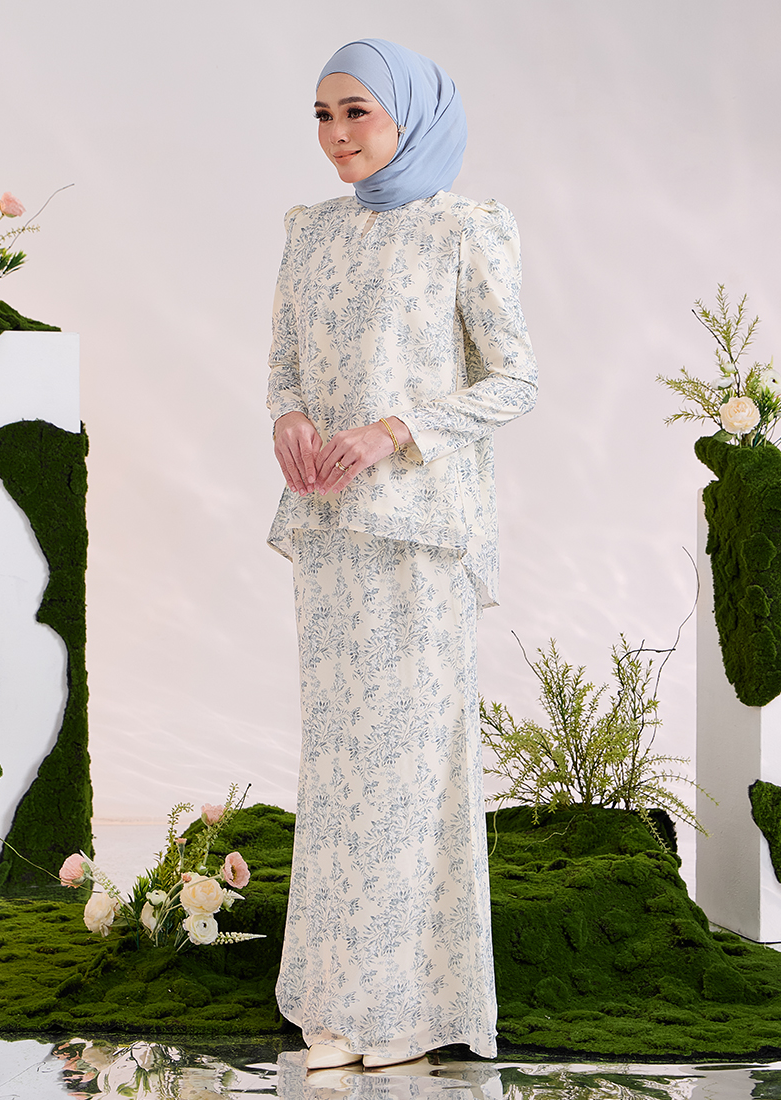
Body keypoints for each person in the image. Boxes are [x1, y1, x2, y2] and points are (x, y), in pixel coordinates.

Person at [267, 38, 537, 1071]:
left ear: (409, 117)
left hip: (422, 534)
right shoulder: (309, 232)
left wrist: (398, 430)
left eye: (357, 113)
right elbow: (283, 366)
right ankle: (334, 998)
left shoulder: (465, 227)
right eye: (323, 115)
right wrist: (289, 419)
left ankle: (406, 1005)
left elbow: (515, 378)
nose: (336, 135)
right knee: (340, 765)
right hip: (330, 530)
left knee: (410, 765)